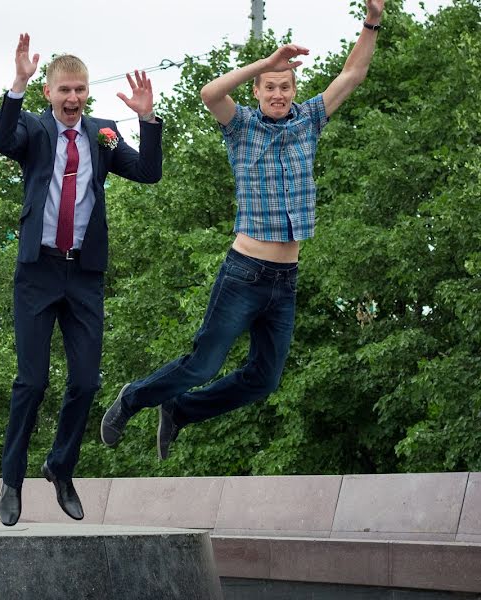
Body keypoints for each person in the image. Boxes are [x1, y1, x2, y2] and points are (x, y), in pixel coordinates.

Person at [102, 0, 386, 459]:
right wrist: (268, 60)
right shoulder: (242, 127)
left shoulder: (310, 121)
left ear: (295, 90)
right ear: (257, 91)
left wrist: (371, 20)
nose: (278, 93)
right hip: (245, 272)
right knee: (202, 364)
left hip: (285, 280)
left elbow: (352, 75)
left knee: (264, 380)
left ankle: (182, 412)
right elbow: (210, 93)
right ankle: (133, 397)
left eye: (285, 86)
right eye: (270, 86)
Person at [0, 34, 162, 526]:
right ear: (49, 93)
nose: (73, 99)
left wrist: (147, 119)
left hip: (84, 273)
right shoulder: (32, 129)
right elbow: (2, 141)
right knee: (32, 380)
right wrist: (18, 82)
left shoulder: (104, 134)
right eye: (64, 90)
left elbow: (148, 172)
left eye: (80, 90)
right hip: (38, 272)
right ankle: (11, 479)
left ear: (88, 93)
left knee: (87, 381)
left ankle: (60, 467)